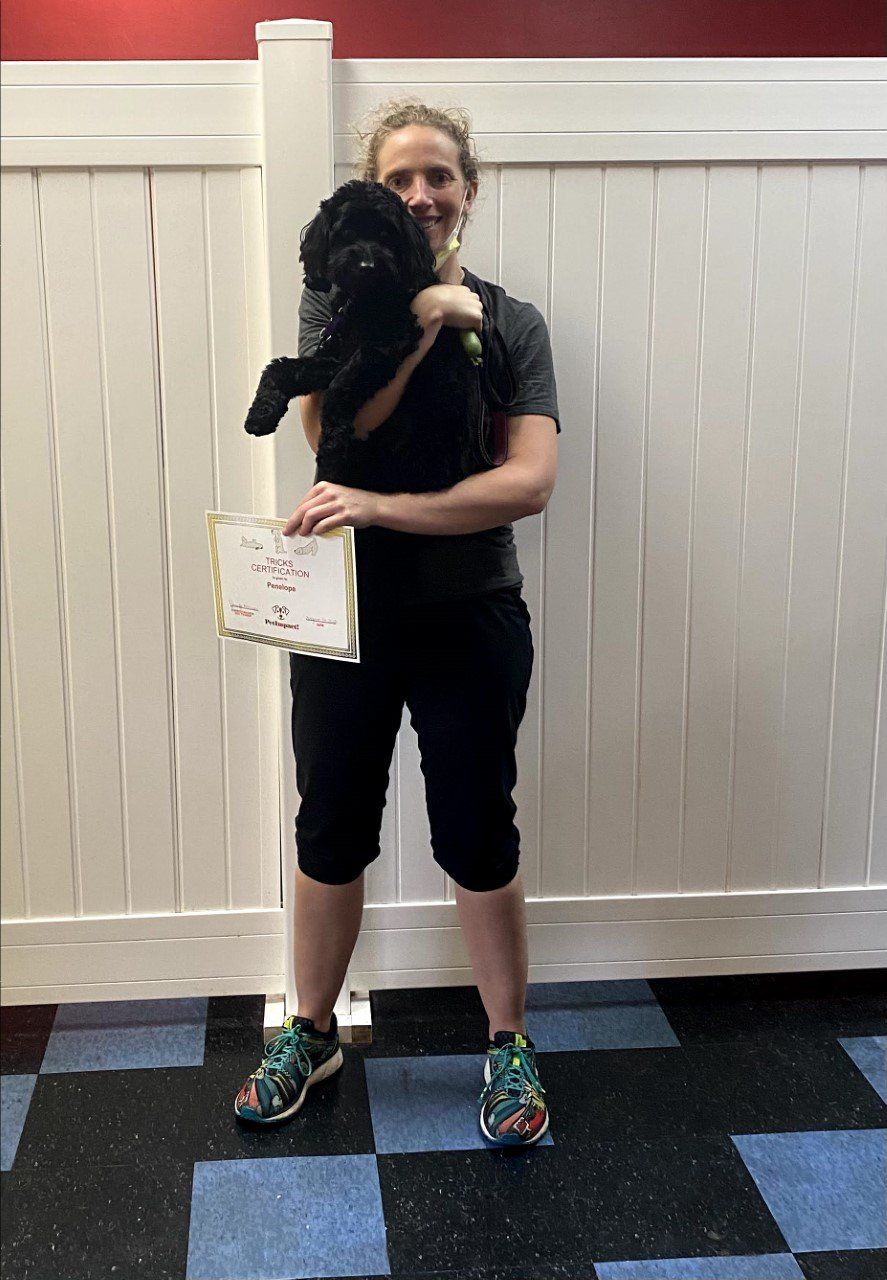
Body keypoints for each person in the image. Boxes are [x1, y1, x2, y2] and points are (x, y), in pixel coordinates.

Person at [234, 99, 560, 1146]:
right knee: (329, 824)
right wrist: (423, 323)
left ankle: (505, 1042)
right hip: (344, 614)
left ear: (469, 189)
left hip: (469, 610)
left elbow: (528, 481)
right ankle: (312, 1028)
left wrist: (385, 509)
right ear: (375, 195)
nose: (422, 193)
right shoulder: (331, 308)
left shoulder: (512, 322)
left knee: (476, 827)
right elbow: (339, 442)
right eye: (401, 178)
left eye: (441, 176)